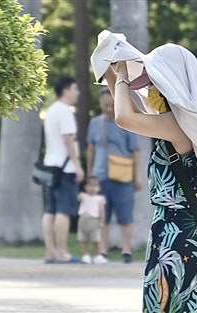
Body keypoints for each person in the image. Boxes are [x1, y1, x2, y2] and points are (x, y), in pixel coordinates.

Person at [90, 30, 197, 313]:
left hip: (178, 236)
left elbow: (125, 117)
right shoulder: (187, 122)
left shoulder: (179, 126)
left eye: (154, 83)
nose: (150, 90)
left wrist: (125, 74)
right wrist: (114, 69)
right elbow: (134, 111)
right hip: (182, 232)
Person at [86, 87, 142, 264]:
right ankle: (102, 251)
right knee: (102, 217)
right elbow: (91, 148)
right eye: (105, 105)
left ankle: (126, 250)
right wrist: (89, 174)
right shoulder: (95, 123)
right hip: (100, 176)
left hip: (123, 176)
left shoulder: (126, 122)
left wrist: (136, 177)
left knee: (125, 216)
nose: (109, 109)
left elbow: (135, 151)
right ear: (101, 104)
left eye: (112, 105)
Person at [42, 75, 84, 264]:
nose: (77, 92)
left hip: (50, 164)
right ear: (66, 90)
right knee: (63, 210)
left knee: (50, 209)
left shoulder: (51, 111)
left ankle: (50, 252)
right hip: (65, 167)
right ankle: (61, 252)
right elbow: (68, 139)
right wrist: (77, 165)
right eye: (75, 88)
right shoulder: (65, 111)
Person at [77, 176, 107, 264]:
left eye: (95, 186)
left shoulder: (100, 199)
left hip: (95, 220)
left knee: (96, 239)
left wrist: (102, 222)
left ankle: (98, 255)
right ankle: (85, 255)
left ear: (99, 188)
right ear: (85, 187)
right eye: (90, 186)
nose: (92, 188)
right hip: (83, 220)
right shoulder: (82, 196)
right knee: (84, 238)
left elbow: (102, 211)